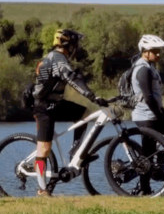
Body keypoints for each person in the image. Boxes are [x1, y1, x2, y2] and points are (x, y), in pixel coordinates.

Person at [32, 29, 108, 196]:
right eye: (75, 45)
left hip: (56, 104)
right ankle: (42, 189)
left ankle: (76, 152)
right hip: (43, 107)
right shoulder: (57, 58)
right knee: (44, 149)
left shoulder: (60, 58)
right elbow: (71, 78)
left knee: (84, 114)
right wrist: (92, 96)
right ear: (69, 45)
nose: (77, 48)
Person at [130, 34, 164, 193]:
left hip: (148, 115)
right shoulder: (143, 70)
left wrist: (162, 111)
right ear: (145, 52)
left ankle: (145, 188)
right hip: (147, 116)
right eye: (154, 51)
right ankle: (159, 167)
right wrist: (160, 116)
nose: (158, 54)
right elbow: (148, 97)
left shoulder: (149, 67)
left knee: (147, 153)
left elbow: (154, 96)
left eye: (159, 51)